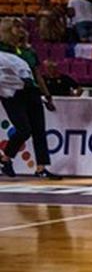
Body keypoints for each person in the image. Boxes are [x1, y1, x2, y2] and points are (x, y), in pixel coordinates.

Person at [0, 42, 59, 178]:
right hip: (11, 92)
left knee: (39, 130)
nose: (20, 32)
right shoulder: (3, 49)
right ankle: (6, 158)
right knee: (24, 130)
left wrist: (47, 95)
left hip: (31, 91)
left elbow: (37, 74)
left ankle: (41, 168)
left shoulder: (29, 52)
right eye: (16, 28)